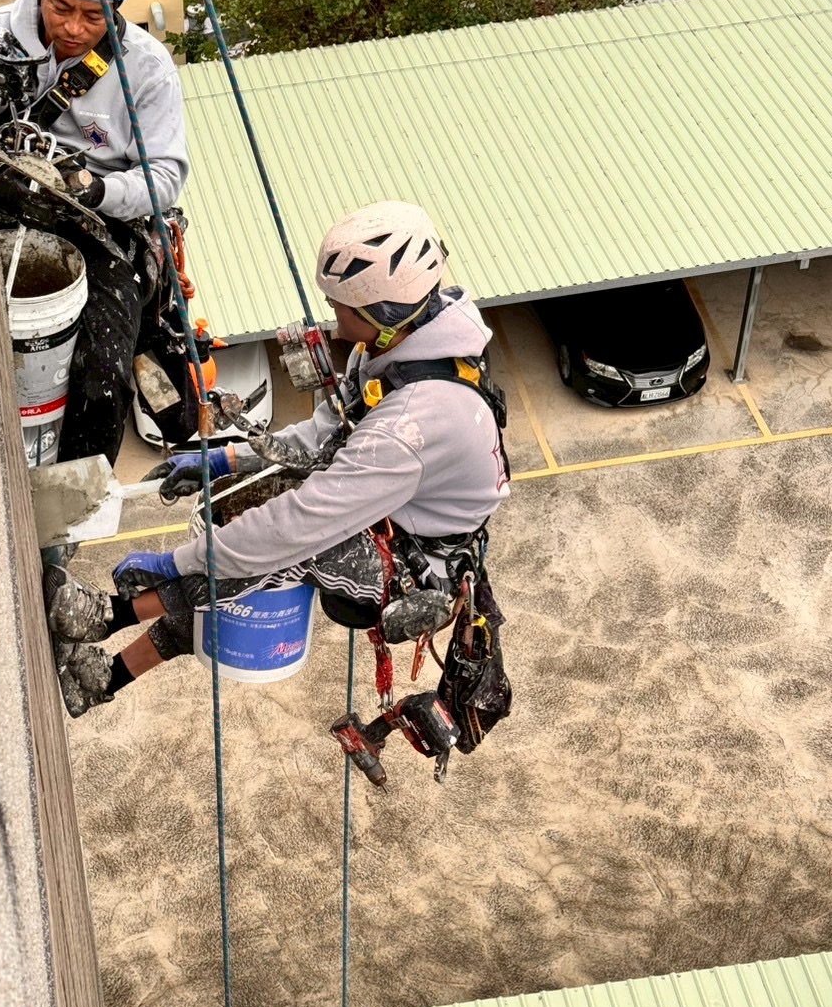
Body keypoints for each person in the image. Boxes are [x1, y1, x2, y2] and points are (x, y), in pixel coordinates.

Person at [43, 200, 511, 716]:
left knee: (271, 552)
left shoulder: (413, 426)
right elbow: (321, 436)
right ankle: (104, 678)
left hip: (417, 563)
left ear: (380, 315)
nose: (333, 319)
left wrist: (170, 564)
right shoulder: (407, 342)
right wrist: (222, 461)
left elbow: (293, 526)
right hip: (405, 511)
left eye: (341, 306)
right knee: (237, 558)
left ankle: (106, 616)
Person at [0, 0, 190, 464]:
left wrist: (98, 190)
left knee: (102, 372)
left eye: (93, 16)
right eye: (61, 7)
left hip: (95, 226)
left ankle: (73, 502)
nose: (73, 28)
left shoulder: (145, 70)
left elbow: (165, 175)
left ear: (119, 3)